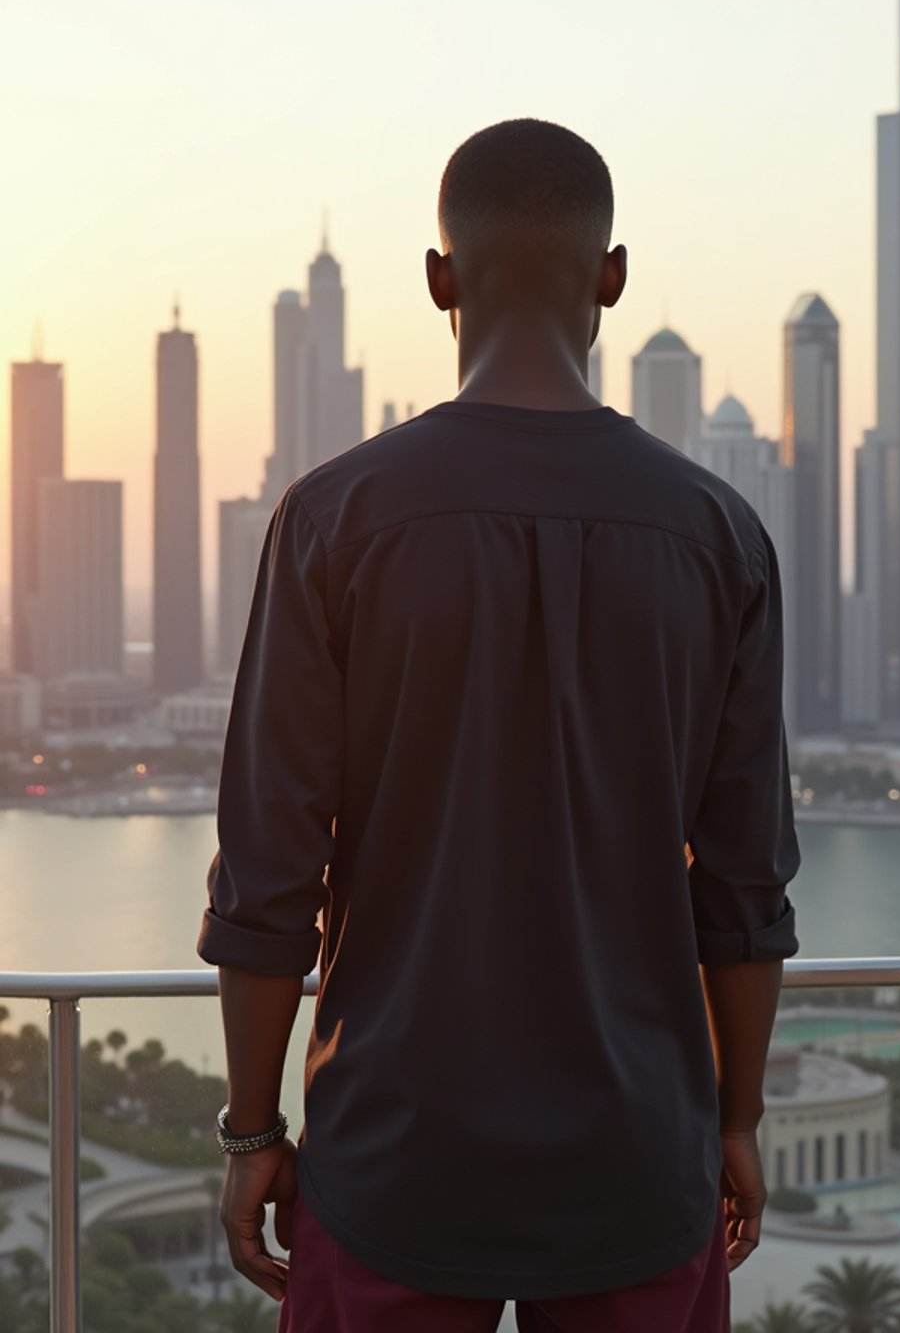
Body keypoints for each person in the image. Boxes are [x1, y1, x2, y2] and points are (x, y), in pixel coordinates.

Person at [198, 117, 800, 1332]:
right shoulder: (720, 536)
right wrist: (735, 1119)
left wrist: (255, 1126)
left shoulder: (331, 521)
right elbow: (741, 888)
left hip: (392, 1159)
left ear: (437, 279)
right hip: (641, 1158)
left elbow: (269, 875)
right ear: (613, 278)